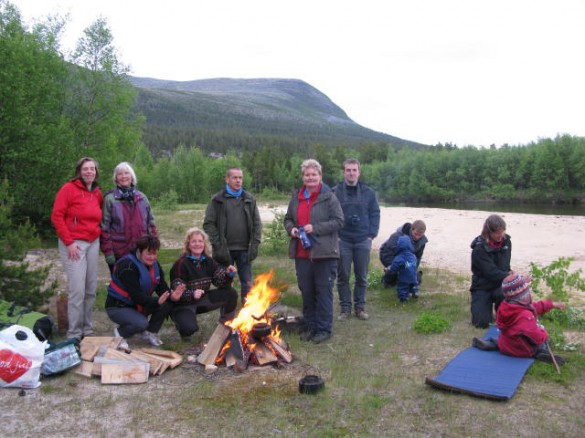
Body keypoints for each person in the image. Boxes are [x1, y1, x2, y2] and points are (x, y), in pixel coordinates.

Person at [283, 159, 344, 344]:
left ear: (320, 176)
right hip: (302, 254)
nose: (310, 177)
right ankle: (310, 326)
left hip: (324, 254)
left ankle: (324, 329)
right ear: (303, 177)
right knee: (307, 291)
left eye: (314, 174)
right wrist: (291, 229)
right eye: (307, 174)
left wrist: (315, 228)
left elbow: (339, 221)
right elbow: (287, 219)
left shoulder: (329, 197)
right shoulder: (296, 196)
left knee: (323, 291)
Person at [51, 157, 103, 340]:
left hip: (93, 243)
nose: (89, 172)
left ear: (96, 172)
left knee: (90, 288)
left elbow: (98, 217)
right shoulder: (68, 189)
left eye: (92, 169)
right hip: (73, 244)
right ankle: (74, 333)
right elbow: (57, 216)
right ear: (79, 171)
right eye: (85, 169)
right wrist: (69, 242)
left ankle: (87, 329)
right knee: (77, 290)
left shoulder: (96, 193)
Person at [105, 235, 185, 347]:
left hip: (138, 304)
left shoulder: (154, 264)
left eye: (155, 253)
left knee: (167, 302)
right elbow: (137, 296)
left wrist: (172, 296)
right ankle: (120, 334)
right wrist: (157, 302)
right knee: (141, 323)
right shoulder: (127, 266)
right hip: (119, 306)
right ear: (139, 251)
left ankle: (150, 333)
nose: (152, 257)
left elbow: (162, 287)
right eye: (149, 253)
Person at [472, 273, 566, 365]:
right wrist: (543, 333)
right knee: (540, 344)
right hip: (519, 350)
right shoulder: (525, 316)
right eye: (527, 292)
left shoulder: (505, 306)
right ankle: (540, 353)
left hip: (505, 345)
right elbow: (536, 336)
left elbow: (534, 307)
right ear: (523, 296)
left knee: (508, 337)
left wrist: (551, 305)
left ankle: (492, 343)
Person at [203, 167, 262, 303]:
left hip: (245, 250)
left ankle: (248, 315)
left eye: (240, 178)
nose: (238, 180)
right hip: (224, 251)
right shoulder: (217, 200)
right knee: (224, 284)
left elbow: (257, 224)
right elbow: (208, 224)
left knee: (247, 283)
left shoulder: (249, 199)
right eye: (234, 178)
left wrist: (255, 243)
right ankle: (226, 317)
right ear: (227, 179)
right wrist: (217, 244)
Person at [169, 227, 239, 340]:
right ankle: (182, 327)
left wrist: (227, 274)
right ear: (188, 245)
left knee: (231, 293)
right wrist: (191, 294)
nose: (197, 244)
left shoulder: (208, 261)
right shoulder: (181, 263)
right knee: (189, 328)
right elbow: (177, 291)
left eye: (200, 241)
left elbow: (218, 281)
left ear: (204, 244)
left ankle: (226, 325)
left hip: (202, 299)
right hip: (183, 304)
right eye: (194, 241)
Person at [333, 159, 380, 321]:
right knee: (343, 276)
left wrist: (371, 235)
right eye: (348, 170)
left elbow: (375, 214)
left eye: (354, 170)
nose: (351, 173)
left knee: (361, 276)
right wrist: (336, 236)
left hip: (362, 240)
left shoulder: (369, 193)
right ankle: (345, 309)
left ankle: (360, 308)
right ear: (344, 172)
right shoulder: (335, 192)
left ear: (359, 172)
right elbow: (330, 214)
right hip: (343, 241)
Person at [100, 162, 157, 272]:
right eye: (120, 174)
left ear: (132, 176)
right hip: (119, 252)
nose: (124, 176)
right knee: (121, 286)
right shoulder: (110, 199)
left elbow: (151, 224)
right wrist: (108, 252)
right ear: (116, 178)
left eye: (127, 173)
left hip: (141, 250)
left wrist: (153, 247)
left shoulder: (142, 198)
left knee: (143, 284)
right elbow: (104, 228)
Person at [469, 214, 512, 328]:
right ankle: (484, 310)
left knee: (507, 320)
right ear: (488, 232)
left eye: (502, 231)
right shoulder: (479, 249)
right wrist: (508, 275)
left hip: (500, 285)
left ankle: (501, 311)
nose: (501, 235)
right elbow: (490, 272)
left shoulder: (507, 242)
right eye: (497, 233)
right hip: (482, 286)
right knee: (481, 323)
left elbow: (505, 265)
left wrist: (512, 276)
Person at [380, 220, 428, 287]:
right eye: (415, 234)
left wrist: (412, 269)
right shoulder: (397, 236)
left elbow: (417, 257)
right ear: (412, 229)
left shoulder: (422, 241)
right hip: (389, 256)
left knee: (416, 278)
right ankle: (387, 279)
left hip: (407, 259)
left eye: (420, 235)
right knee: (398, 270)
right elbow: (387, 252)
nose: (417, 237)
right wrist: (393, 266)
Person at [385, 235, 420, 302]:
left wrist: (389, 270)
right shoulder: (413, 256)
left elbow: (394, 267)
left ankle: (403, 299)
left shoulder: (399, 258)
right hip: (414, 277)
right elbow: (415, 263)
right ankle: (415, 291)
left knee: (402, 287)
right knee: (413, 284)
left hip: (404, 278)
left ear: (399, 246)